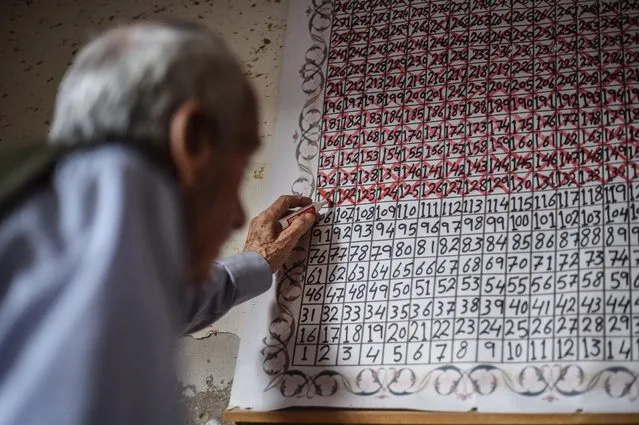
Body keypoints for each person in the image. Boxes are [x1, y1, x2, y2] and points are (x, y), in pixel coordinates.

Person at [0, 20, 316, 424]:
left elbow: (173, 298)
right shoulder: (108, 240)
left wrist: (257, 260)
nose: (238, 215)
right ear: (194, 138)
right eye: (238, 165)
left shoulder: (50, 219)